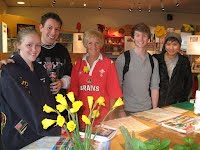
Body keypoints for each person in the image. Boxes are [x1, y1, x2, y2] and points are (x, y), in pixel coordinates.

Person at [0, 27, 61, 150]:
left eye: (38, 45)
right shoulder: (10, 71)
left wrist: (56, 121)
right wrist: (52, 129)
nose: (34, 50)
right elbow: (24, 105)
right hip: (19, 137)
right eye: (29, 45)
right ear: (18, 45)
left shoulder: (40, 69)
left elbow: (48, 101)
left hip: (41, 133)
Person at [0, 12, 73, 96]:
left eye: (57, 29)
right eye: (49, 28)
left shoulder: (62, 50)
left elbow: (69, 73)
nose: (53, 32)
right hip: (34, 99)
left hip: (59, 101)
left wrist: (62, 82)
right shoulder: (29, 50)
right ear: (41, 27)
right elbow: (13, 64)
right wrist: (5, 63)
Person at [69, 29, 122, 126]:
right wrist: (73, 117)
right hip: (82, 119)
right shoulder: (78, 64)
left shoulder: (108, 64)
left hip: (102, 120)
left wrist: (110, 119)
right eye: (90, 43)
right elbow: (73, 92)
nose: (93, 46)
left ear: (101, 44)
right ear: (85, 44)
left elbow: (113, 94)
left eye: (97, 43)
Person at [115, 23, 160, 115]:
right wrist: (120, 110)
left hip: (147, 109)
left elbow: (154, 87)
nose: (141, 39)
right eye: (138, 35)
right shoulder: (123, 59)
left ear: (148, 38)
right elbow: (117, 86)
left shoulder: (153, 61)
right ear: (133, 38)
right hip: (127, 109)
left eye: (144, 36)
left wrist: (155, 109)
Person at [153, 32, 192, 107]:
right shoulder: (156, 59)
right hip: (157, 103)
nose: (171, 48)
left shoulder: (184, 62)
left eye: (175, 44)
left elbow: (188, 84)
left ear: (179, 46)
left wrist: (183, 102)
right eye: (168, 44)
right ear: (165, 45)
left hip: (177, 104)